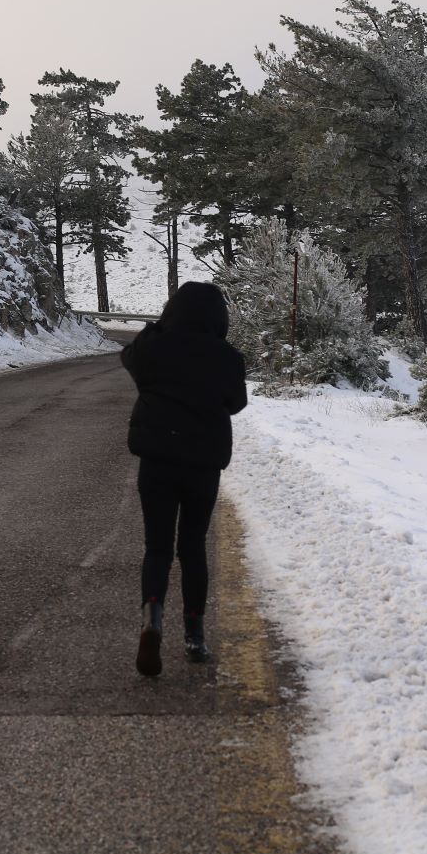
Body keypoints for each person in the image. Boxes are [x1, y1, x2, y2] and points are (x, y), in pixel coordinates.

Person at [119, 281, 248, 677]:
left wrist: (158, 328)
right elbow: (237, 403)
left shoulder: (152, 349)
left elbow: (130, 357)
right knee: (192, 548)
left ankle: (152, 619)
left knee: (156, 547)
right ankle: (194, 636)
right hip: (201, 464)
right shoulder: (227, 357)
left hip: (157, 462)